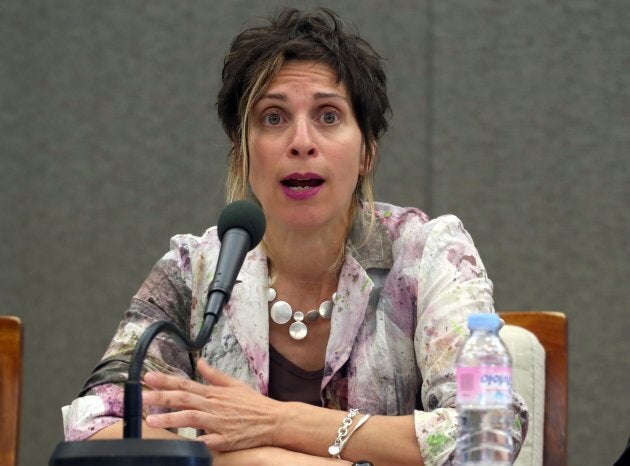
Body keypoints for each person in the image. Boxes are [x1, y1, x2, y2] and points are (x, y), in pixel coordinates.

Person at [63, 7, 528, 466]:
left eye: (328, 116)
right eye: (273, 117)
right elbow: (93, 424)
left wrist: (276, 422)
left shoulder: (425, 255)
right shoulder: (194, 271)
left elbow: (488, 433)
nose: (301, 141)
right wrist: (253, 460)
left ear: (366, 151)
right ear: (242, 151)